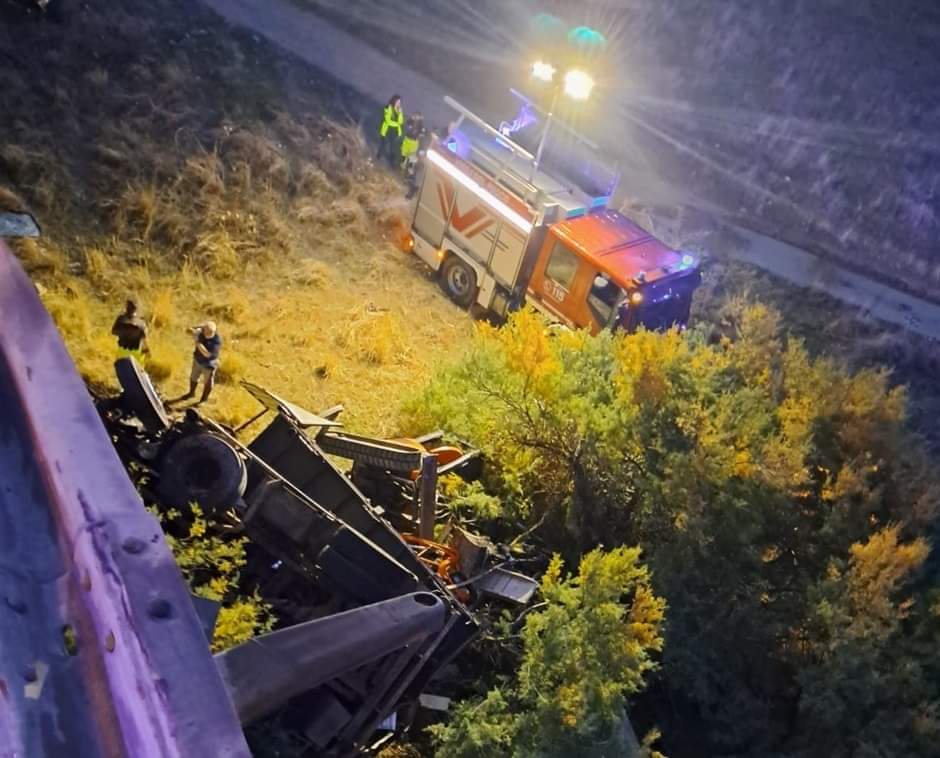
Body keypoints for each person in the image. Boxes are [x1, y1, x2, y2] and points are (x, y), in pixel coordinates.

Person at [183, 321, 222, 404]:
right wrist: (194, 329)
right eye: (205, 331)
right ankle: (191, 393)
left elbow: (207, 354)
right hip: (197, 360)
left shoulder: (216, 342)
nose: (206, 334)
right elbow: (187, 330)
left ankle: (203, 399)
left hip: (209, 364)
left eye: (209, 333)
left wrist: (197, 342)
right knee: (193, 377)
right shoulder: (201, 331)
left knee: (207, 383)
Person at [378, 94, 404, 169]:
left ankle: (392, 164)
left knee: (392, 148)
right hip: (386, 130)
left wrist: (400, 113)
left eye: (400, 102)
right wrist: (396, 124)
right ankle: (378, 157)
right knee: (383, 146)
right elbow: (388, 120)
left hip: (394, 132)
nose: (399, 103)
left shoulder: (398, 110)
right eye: (398, 101)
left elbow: (401, 122)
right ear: (394, 101)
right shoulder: (388, 107)